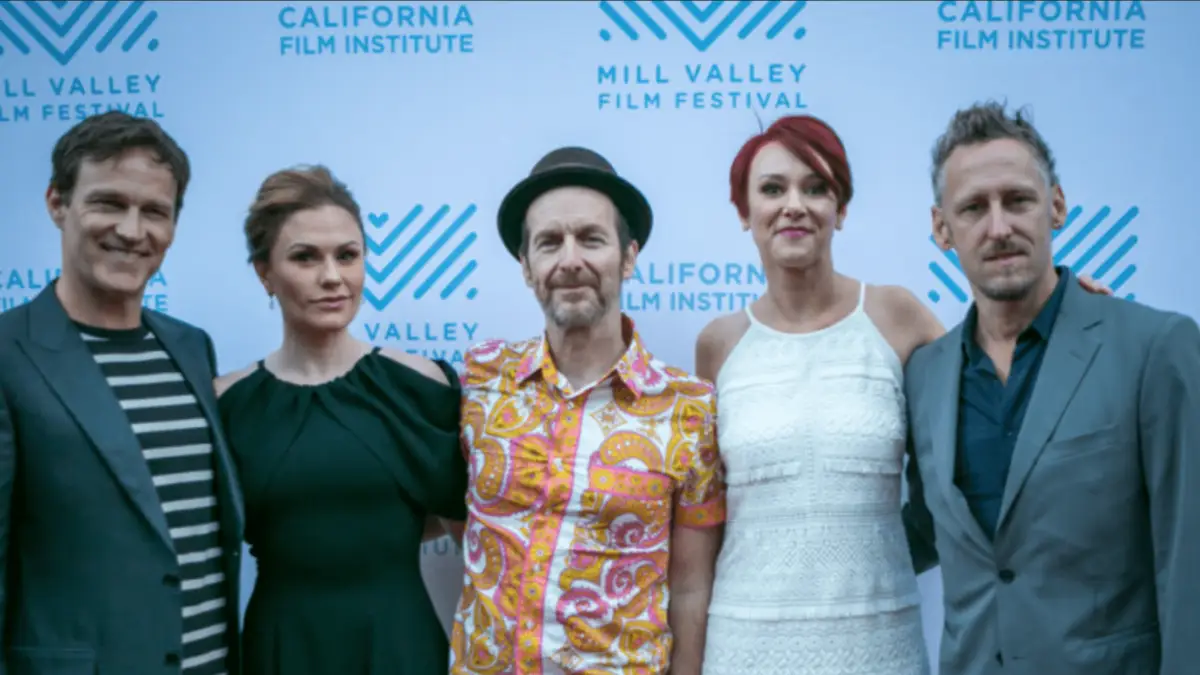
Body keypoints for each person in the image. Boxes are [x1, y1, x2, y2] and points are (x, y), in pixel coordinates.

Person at [693, 114, 1115, 675]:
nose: (794, 204)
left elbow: (994, 397)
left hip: (879, 642)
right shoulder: (718, 345)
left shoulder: (898, 316)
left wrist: (1066, 310)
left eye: (816, 187)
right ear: (745, 213)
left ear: (841, 209)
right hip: (744, 646)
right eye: (773, 189)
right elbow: (704, 526)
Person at [903, 101, 1200, 675]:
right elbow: (929, 531)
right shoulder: (925, 374)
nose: (999, 227)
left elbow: (1190, 559)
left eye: (1018, 200)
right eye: (973, 208)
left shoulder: (1154, 347)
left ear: (1056, 206)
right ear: (942, 228)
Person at [449, 147, 726, 675]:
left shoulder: (690, 409)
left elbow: (691, 587)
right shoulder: (478, 382)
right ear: (527, 267)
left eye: (591, 238)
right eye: (549, 242)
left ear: (628, 257)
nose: (570, 260)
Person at [0, 112, 242, 674]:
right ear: (57, 204)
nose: (133, 231)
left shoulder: (190, 347)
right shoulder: (8, 354)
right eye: (109, 203)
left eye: (154, 211)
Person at [213, 165, 467, 674]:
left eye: (347, 256)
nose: (332, 277)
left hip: (401, 646)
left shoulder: (421, 385)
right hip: (281, 647)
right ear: (265, 272)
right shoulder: (227, 403)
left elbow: (474, 541)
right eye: (305, 257)